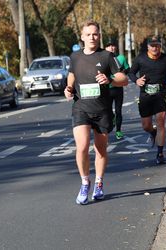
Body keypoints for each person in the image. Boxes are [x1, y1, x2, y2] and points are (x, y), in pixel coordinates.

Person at [64, 20, 128, 205]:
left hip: (102, 110)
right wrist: (68, 88)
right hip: (81, 108)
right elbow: (72, 75)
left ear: (99, 36)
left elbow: (123, 79)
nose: (92, 37)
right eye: (89, 34)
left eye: (95, 34)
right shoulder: (75, 57)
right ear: (82, 37)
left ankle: (98, 182)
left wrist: (109, 80)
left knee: (100, 149)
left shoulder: (107, 56)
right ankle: (85, 182)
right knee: (82, 147)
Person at [128, 35, 166, 164]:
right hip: (145, 95)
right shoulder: (141, 59)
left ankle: (160, 153)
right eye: (152, 45)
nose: (155, 48)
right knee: (146, 125)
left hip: (161, 94)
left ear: (160, 46)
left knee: (161, 121)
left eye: (157, 45)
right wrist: (137, 80)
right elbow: (131, 73)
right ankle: (152, 132)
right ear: (148, 47)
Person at [105, 40, 130, 140]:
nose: (111, 48)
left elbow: (128, 68)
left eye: (113, 46)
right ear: (106, 48)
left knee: (119, 110)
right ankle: (112, 117)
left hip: (118, 88)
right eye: (109, 46)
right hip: (107, 89)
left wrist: (122, 73)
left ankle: (118, 131)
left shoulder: (121, 58)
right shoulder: (103, 58)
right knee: (107, 110)